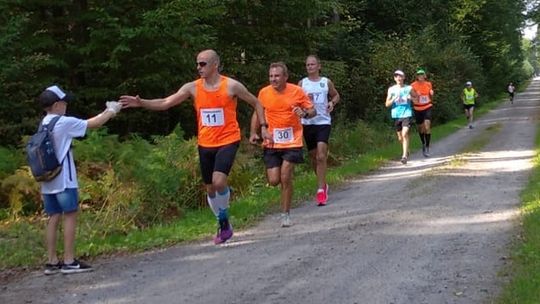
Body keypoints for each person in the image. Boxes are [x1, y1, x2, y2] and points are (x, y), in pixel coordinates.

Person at [120, 49, 269, 244]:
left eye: (203, 64)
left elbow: (257, 102)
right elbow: (166, 102)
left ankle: (223, 219)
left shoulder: (231, 86)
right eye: (197, 64)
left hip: (228, 139)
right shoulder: (193, 88)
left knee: (218, 181)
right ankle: (222, 223)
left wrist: (263, 127)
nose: (199, 67)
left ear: (215, 64)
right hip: (205, 143)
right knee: (209, 189)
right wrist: (141, 103)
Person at [38, 85, 122, 275]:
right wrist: (111, 110)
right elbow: (94, 123)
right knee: (70, 215)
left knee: (53, 217)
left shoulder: (43, 123)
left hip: (47, 180)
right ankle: (69, 261)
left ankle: (51, 262)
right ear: (58, 104)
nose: (66, 105)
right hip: (64, 179)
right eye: (65, 101)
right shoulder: (63, 122)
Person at [249, 62, 315, 227]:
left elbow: (312, 110)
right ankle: (284, 197)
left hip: (292, 140)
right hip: (272, 141)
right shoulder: (264, 93)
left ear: (285, 77)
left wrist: (305, 113)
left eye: (277, 76)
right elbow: (258, 113)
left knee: (285, 177)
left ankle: (285, 214)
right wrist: (254, 132)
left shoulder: (297, 91)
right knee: (273, 180)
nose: (273, 79)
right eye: (271, 76)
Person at [298, 55, 340, 206]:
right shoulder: (302, 83)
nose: (310, 67)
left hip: (323, 122)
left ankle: (320, 190)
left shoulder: (325, 82)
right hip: (308, 123)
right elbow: (296, 102)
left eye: (312, 64)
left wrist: (331, 103)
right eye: (308, 65)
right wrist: (301, 110)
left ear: (319, 66)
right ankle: (323, 183)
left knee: (322, 155)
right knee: (314, 157)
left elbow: (336, 96)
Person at [385, 70, 413, 165]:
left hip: (406, 113)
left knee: (405, 134)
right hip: (396, 115)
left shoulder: (409, 88)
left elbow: (416, 98)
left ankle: (404, 156)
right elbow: (387, 104)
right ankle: (407, 149)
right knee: (400, 137)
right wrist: (393, 99)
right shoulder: (391, 89)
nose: (399, 78)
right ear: (394, 78)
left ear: (404, 77)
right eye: (397, 76)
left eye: (401, 76)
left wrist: (410, 98)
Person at [410, 68, 434, 157]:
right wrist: (416, 96)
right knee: (421, 128)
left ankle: (427, 147)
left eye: (422, 74)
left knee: (427, 126)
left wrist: (432, 94)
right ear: (417, 76)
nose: (420, 76)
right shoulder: (412, 85)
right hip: (417, 108)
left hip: (427, 107)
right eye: (418, 75)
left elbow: (431, 98)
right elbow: (411, 98)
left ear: (424, 76)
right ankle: (423, 143)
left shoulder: (428, 84)